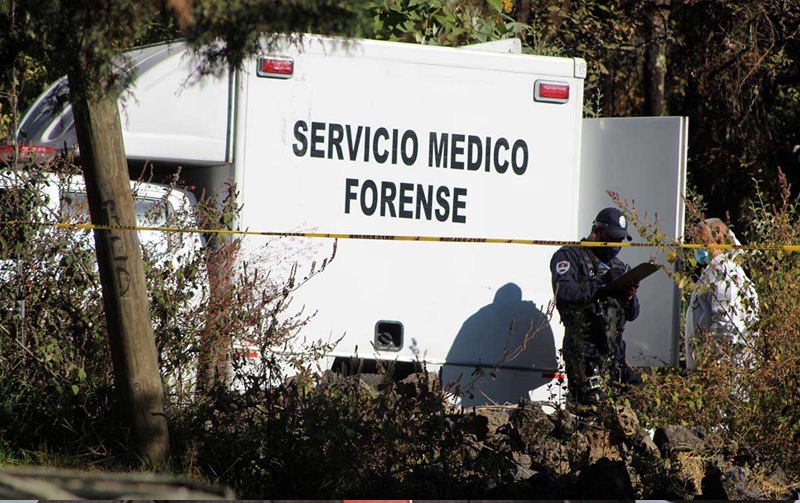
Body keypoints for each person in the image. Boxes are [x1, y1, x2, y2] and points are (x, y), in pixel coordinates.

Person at [550, 207, 641, 406]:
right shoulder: (570, 256)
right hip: (585, 352)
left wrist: (628, 296)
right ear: (597, 231)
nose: (616, 245)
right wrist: (602, 283)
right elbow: (564, 292)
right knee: (590, 409)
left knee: (638, 399)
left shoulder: (618, 266)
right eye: (612, 238)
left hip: (614, 355)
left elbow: (633, 313)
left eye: (620, 240)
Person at [684, 218, 759, 370]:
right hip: (715, 368)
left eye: (701, 241)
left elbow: (725, 325)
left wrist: (714, 368)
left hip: (722, 370)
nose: (697, 247)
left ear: (718, 241)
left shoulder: (723, 273)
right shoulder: (715, 271)